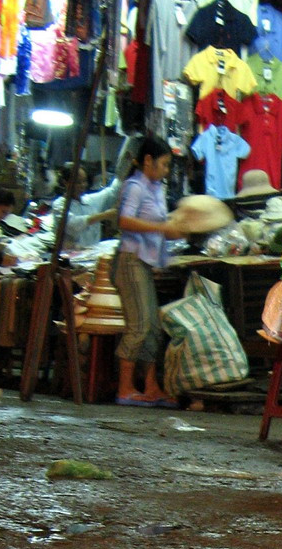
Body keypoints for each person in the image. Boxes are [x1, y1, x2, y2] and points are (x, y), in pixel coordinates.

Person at [112, 136, 182, 408]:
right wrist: (162, 229)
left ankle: (151, 387)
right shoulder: (135, 187)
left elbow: (158, 223)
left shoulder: (156, 188)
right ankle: (125, 388)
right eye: (163, 164)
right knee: (139, 326)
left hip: (144, 263)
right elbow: (124, 220)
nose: (166, 170)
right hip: (130, 261)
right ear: (148, 161)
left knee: (152, 328)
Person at [51, 163, 121, 249]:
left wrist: (125, 170)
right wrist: (104, 215)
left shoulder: (89, 200)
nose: (82, 185)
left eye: (84, 181)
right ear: (66, 183)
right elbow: (73, 225)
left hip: (92, 253)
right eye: (78, 182)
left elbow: (112, 191)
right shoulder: (59, 204)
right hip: (70, 257)